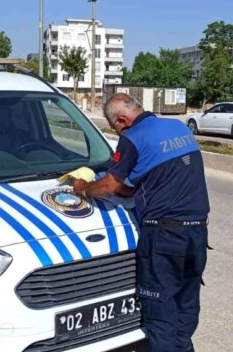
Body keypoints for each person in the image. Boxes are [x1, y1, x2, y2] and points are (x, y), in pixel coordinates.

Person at [73, 93, 210, 352]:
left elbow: (109, 187)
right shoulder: (177, 128)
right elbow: (151, 181)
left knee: (160, 314)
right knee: (186, 303)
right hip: (197, 234)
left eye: (115, 127)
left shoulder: (133, 140)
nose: (118, 133)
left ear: (123, 120)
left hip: (164, 237)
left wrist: (83, 188)